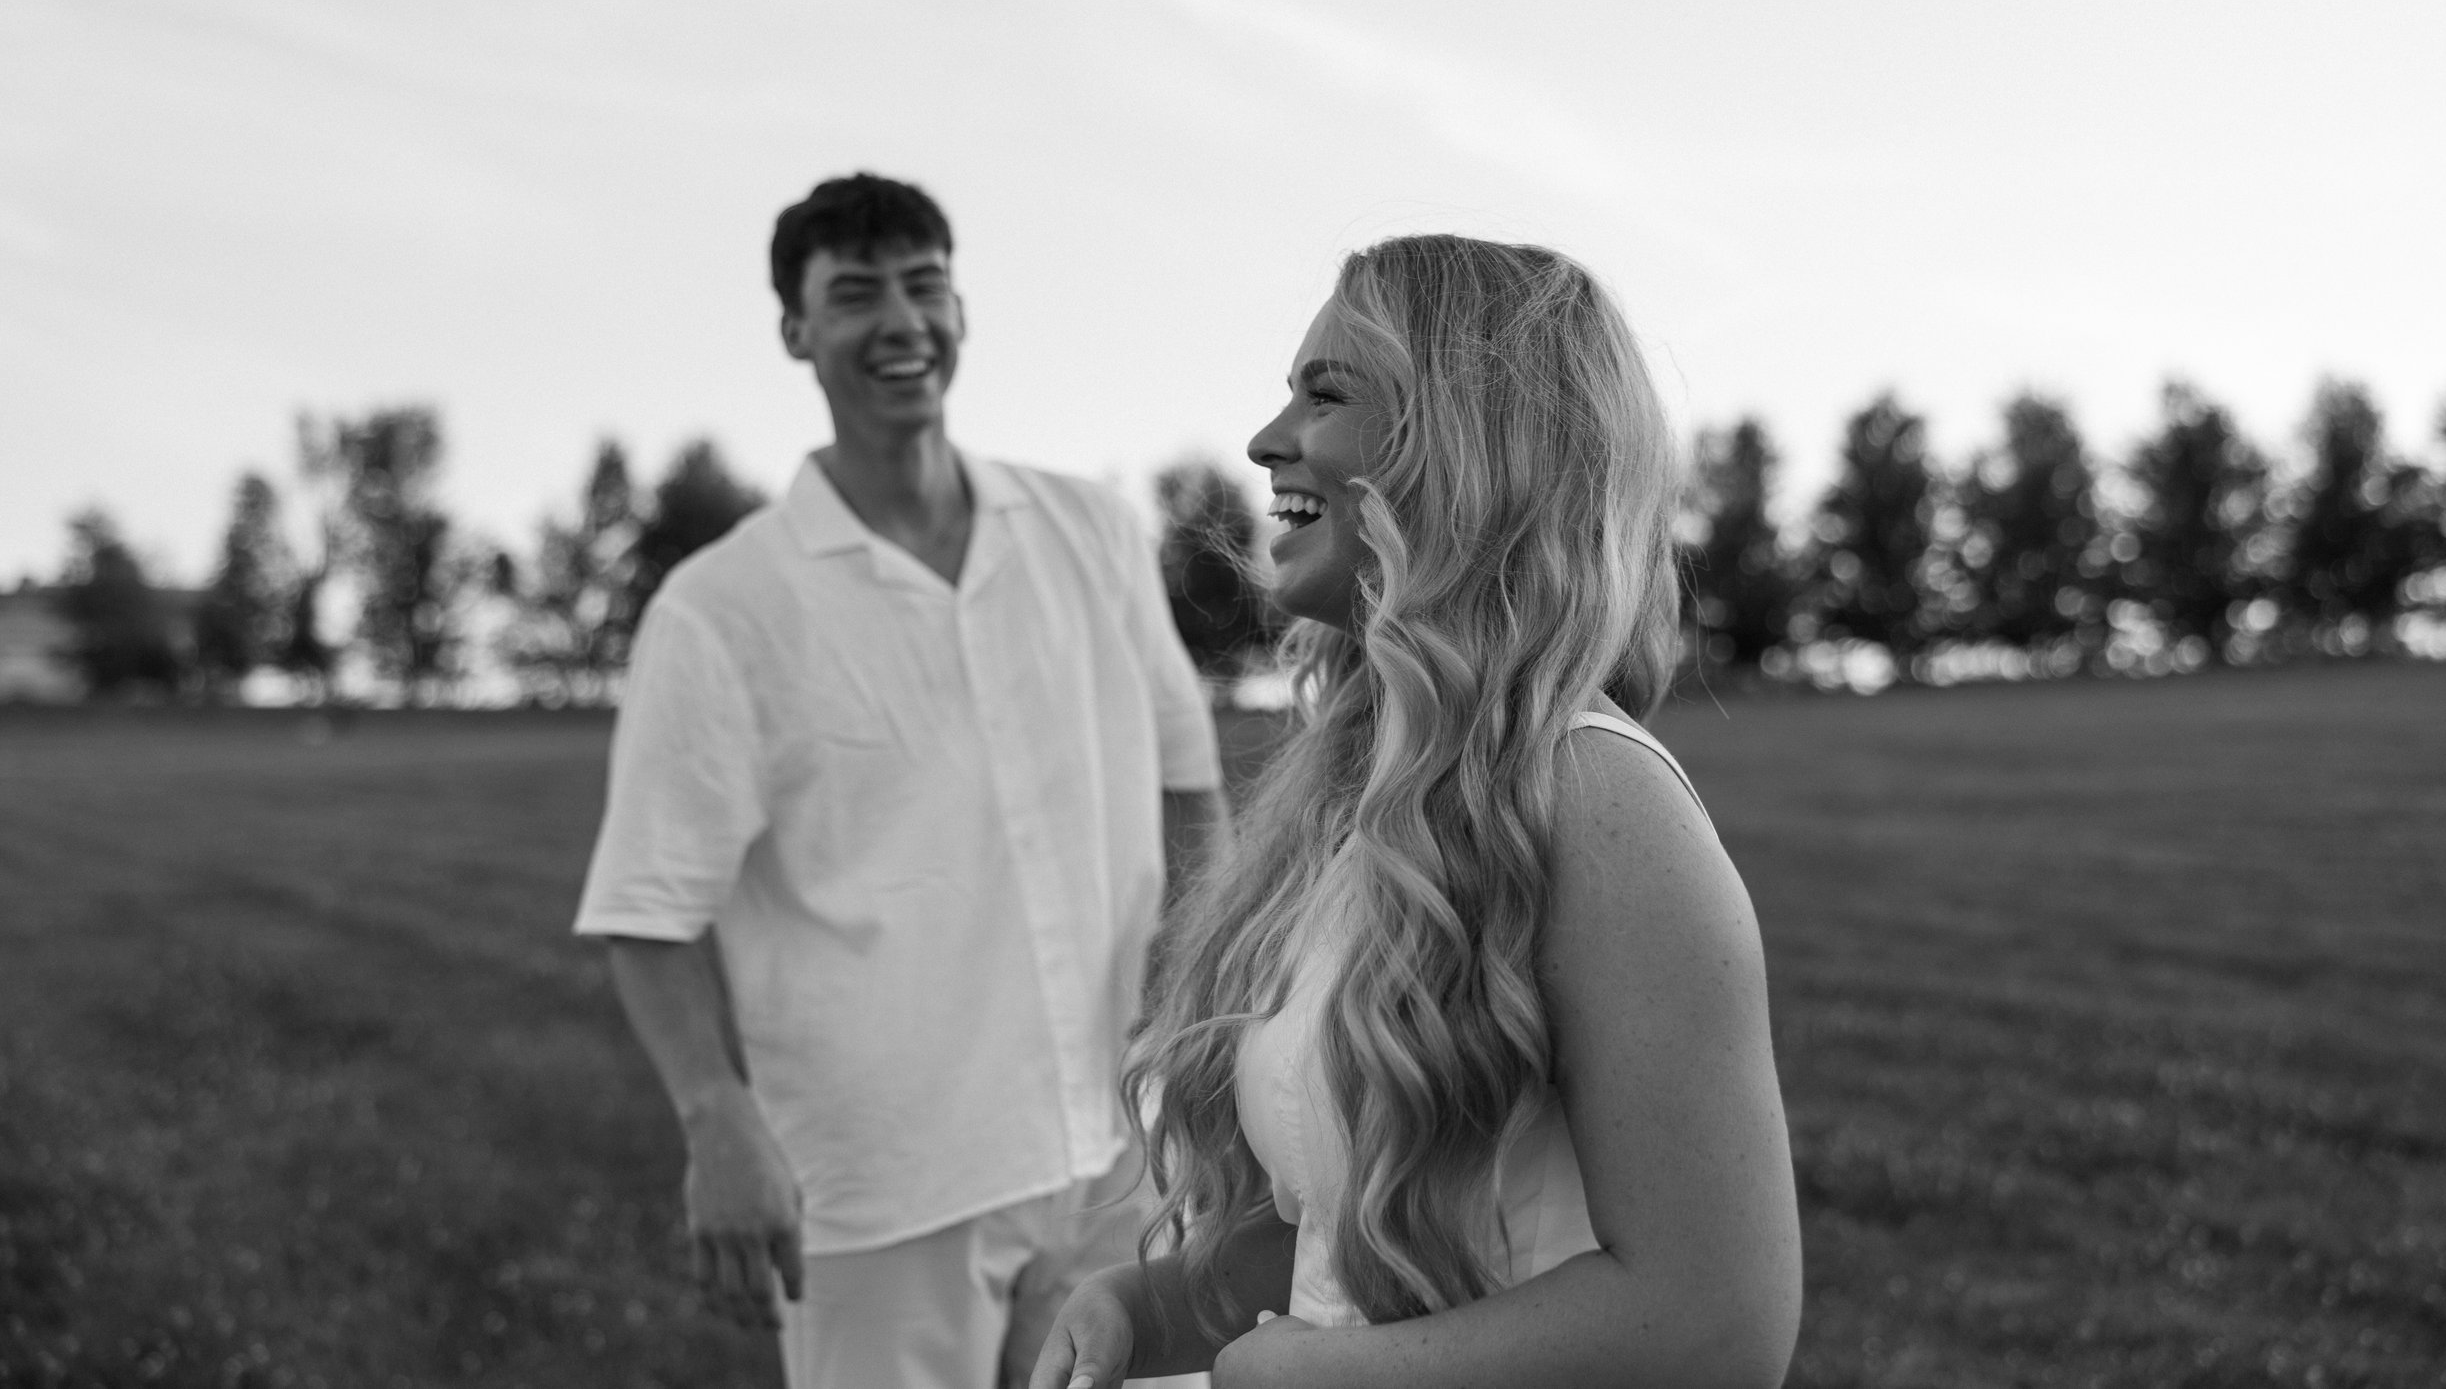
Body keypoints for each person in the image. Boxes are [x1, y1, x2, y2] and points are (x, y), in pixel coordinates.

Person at [1032, 235, 1801, 1387]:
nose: (1265, 438)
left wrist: (1321, 1378)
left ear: (1464, 438)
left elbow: (1715, 1320)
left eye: (1325, 392)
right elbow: (1362, 1232)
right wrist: (1149, 1306)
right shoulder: (1364, 797)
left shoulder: (1597, 800)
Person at [573, 173, 1227, 1389]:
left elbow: (1188, 791)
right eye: (855, 293)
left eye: (925, 285)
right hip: (885, 1182)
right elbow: (646, 912)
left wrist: (1203, 1015)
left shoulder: (1089, 531)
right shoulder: (722, 609)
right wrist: (716, 1115)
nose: (900, 321)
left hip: (1125, 1142)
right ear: (795, 330)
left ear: (962, 310)